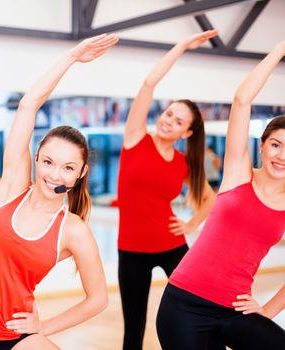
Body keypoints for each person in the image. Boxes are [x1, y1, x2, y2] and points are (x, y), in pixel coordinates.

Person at [0, 33, 119, 350]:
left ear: (81, 174)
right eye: (49, 162)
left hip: (16, 332)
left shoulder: (73, 230)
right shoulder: (12, 188)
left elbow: (98, 299)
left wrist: (44, 326)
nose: (55, 174)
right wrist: (71, 57)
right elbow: (28, 105)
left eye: (68, 167)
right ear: (36, 158)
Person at [156, 41, 285, 350]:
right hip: (184, 305)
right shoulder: (238, 171)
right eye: (276, 145)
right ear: (263, 144)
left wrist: (268, 310)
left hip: (232, 311)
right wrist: (279, 49)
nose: (281, 156)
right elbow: (242, 100)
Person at [117, 30, 218, 350]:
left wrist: (190, 225)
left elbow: (210, 199)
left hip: (171, 244)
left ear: (186, 132)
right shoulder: (135, 139)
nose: (168, 121)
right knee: (134, 327)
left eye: (177, 122)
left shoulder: (183, 163)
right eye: (168, 113)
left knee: (198, 305)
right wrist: (182, 46)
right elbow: (148, 84)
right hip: (131, 251)